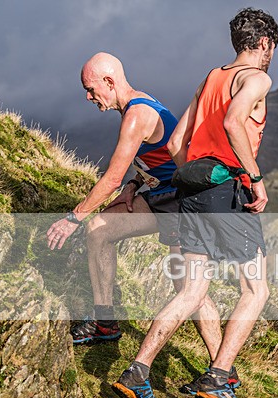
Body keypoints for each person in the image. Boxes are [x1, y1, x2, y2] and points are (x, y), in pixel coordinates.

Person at [111, 8, 278, 398]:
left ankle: (136, 372)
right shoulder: (256, 77)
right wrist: (253, 179)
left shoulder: (212, 77)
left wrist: (199, 171)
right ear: (264, 44)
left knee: (192, 290)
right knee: (256, 290)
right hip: (226, 190)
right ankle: (218, 378)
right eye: (272, 47)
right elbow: (235, 121)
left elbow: (174, 146)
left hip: (191, 187)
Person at [46, 53, 222, 356]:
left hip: (183, 202)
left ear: (110, 82)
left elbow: (111, 178)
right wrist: (134, 184)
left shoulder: (136, 114)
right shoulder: (137, 104)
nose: (89, 97)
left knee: (189, 290)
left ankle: (223, 370)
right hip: (162, 195)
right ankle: (105, 322)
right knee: (100, 229)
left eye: (91, 89)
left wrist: (72, 218)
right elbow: (155, 157)